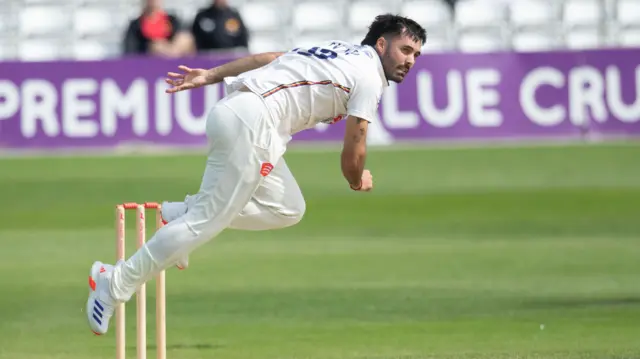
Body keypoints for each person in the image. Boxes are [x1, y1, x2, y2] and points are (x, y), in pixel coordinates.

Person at [86, 13, 426, 335]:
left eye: (416, 54)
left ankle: (179, 214)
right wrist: (357, 178)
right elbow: (354, 149)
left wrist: (211, 75)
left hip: (246, 117)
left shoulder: (339, 50)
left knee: (288, 208)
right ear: (381, 44)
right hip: (255, 123)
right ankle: (114, 283)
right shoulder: (368, 77)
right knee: (204, 223)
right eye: (405, 49)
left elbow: (270, 57)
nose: (410, 60)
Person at [123, 0, 195, 57]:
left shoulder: (172, 20)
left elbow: (185, 39)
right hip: (150, 61)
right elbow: (130, 49)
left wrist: (170, 49)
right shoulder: (136, 25)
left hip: (174, 55)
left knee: (185, 39)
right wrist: (152, 47)